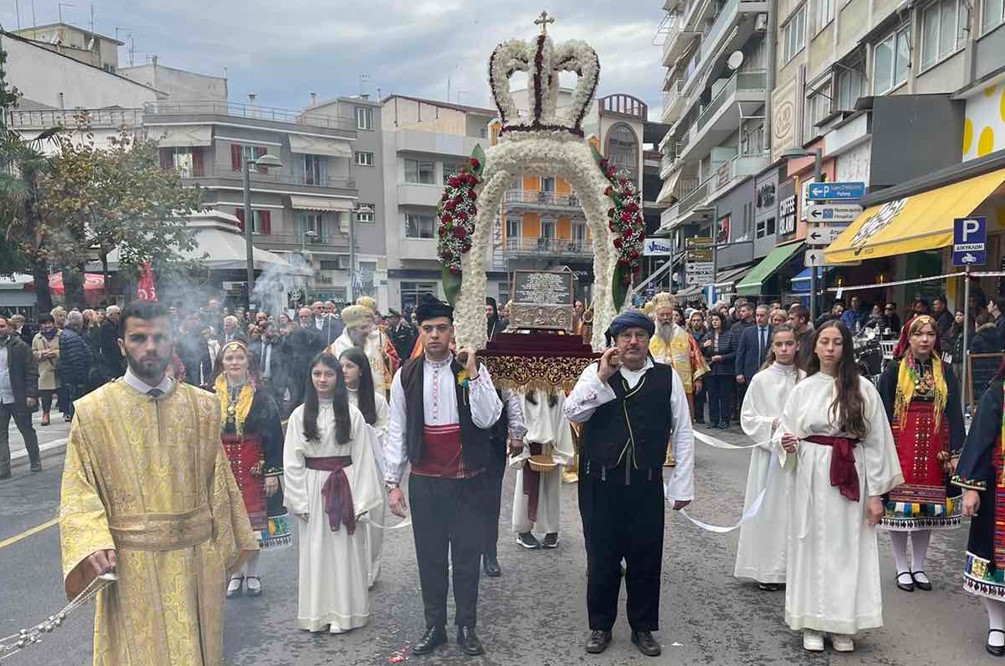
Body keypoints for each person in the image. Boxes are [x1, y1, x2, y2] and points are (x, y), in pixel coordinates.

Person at [59, 300, 257, 665]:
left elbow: (219, 484)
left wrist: (224, 549)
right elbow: (78, 490)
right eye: (138, 338)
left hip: (196, 565)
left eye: (159, 337)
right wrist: (92, 542)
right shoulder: (92, 412)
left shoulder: (203, 407)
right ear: (122, 345)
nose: (150, 346)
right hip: (131, 567)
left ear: (171, 343)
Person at [564, 311, 693, 657]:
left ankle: (643, 627)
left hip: (645, 481)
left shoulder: (666, 377)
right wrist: (602, 379)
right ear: (614, 341)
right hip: (600, 483)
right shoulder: (595, 373)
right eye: (625, 336)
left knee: (645, 558)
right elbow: (572, 413)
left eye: (639, 335)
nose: (632, 342)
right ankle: (600, 626)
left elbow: (682, 432)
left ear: (648, 339)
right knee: (602, 556)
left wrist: (682, 484)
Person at [384, 294, 503, 657]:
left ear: (452, 332)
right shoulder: (406, 375)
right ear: (420, 332)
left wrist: (475, 372)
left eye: (441, 329)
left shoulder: (468, 370)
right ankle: (434, 626)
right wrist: (392, 482)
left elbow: (489, 417)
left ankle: (467, 626)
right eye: (428, 329)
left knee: (467, 560)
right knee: (430, 558)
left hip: (468, 482)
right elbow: (397, 430)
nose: (435, 335)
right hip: (426, 482)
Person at [774, 321, 903, 653]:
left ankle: (843, 624)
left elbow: (876, 444)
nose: (830, 349)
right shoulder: (802, 389)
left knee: (847, 548)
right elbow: (785, 430)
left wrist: (876, 495)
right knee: (811, 544)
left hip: (850, 473)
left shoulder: (862, 389)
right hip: (810, 475)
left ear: (846, 347)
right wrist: (786, 444)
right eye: (824, 342)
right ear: (814, 347)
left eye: (837, 343)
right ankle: (812, 622)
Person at [283, 352, 383, 633]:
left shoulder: (352, 414)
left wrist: (363, 501)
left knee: (346, 549)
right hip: (314, 488)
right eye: (317, 374)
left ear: (337, 378)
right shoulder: (299, 415)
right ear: (310, 377)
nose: (323, 379)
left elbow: (363, 457)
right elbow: (292, 461)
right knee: (316, 551)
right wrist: (299, 500)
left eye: (328, 374)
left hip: (346, 485)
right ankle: (319, 613)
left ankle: (345, 613)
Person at [876, 315, 964, 592]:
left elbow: (953, 412)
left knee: (927, 509)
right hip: (902, 444)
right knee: (899, 509)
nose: (925, 339)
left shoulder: (946, 371)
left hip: (935, 446)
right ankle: (902, 566)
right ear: (909, 338)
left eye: (930, 334)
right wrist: (882, 448)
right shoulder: (893, 370)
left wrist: (955, 452)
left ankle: (919, 565)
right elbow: (883, 411)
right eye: (919, 334)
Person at [213, 340, 287, 599]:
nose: (234, 362)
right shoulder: (210, 395)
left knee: (253, 522)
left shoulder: (261, 395)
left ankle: (253, 573)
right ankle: (235, 573)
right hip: (222, 466)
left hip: (252, 464)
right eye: (229, 358)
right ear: (221, 363)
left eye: (239, 358)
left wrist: (272, 471)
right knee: (229, 522)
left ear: (248, 362)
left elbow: (275, 436)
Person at [735, 325, 804, 591]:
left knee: (795, 512)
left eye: (789, 343)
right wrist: (774, 424)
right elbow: (748, 418)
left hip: (798, 456)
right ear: (772, 347)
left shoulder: (805, 379)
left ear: (797, 346)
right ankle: (767, 569)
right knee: (769, 512)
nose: (784, 349)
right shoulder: (761, 379)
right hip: (768, 456)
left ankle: (794, 570)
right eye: (779, 344)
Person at [953, 359, 1005, 656]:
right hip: (999, 485)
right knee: (995, 559)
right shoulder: (997, 392)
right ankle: (997, 624)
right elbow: (980, 440)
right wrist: (971, 488)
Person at [339, 346, 390, 588]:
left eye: (349, 366)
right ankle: (349, 571)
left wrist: (366, 434)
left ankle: (370, 571)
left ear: (361, 370)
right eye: (341, 366)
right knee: (348, 520)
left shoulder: (376, 400)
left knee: (372, 521)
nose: (344, 371)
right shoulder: (334, 399)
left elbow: (387, 430)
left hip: (371, 465)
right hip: (343, 467)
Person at [511, 389, 574, 550]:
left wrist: (560, 453)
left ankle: (551, 531)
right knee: (524, 492)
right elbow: (517, 418)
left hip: (550, 447)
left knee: (551, 491)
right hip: (528, 446)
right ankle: (523, 530)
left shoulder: (557, 393)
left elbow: (562, 421)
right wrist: (521, 450)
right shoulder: (521, 390)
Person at [483, 388, 526, 575]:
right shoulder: (452, 362)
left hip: (492, 441)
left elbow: (511, 397)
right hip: (459, 444)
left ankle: (490, 553)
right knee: (461, 502)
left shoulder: (498, 362)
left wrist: (516, 433)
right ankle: (465, 554)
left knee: (490, 500)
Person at [0, 316, 40, 477]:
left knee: (26, 430)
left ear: (9, 328)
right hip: (1, 398)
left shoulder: (20, 347)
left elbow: (31, 370)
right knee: (1, 434)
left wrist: (31, 394)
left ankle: (35, 460)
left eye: (2, 326)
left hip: (18, 396)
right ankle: (4, 468)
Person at [331, 304, 399, 397]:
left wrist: (386, 359)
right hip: (347, 398)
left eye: (368, 326)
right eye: (362, 328)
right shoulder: (334, 348)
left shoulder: (380, 340)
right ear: (351, 329)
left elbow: (395, 360)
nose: (367, 331)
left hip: (375, 396)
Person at [702, 311, 735, 430]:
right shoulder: (708, 335)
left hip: (725, 370)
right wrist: (703, 346)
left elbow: (735, 352)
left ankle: (725, 420)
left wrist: (722, 357)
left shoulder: (730, 335)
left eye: (717, 319)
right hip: (711, 369)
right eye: (713, 320)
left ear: (722, 321)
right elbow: (699, 353)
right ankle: (713, 420)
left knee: (724, 396)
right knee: (712, 396)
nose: (714, 322)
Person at [59, 310, 94, 415]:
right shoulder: (73, 337)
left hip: (69, 375)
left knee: (74, 400)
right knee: (77, 401)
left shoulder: (66, 334)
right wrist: (81, 380)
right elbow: (76, 360)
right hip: (76, 377)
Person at [31, 314, 61, 426]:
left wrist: (55, 353)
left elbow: (67, 349)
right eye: (44, 323)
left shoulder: (61, 334)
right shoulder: (37, 337)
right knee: (45, 394)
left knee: (63, 392)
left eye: (49, 323)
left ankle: (67, 412)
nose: (47, 325)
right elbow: (32, 353)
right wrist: (40, 354)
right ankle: (45, 414)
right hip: (44, 369)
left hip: (59, 368)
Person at [734, 304, 772, 390]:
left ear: (768, 316)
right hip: (750, 373)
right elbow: (741, 353)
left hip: (769, 372)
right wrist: (739, 372)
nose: (759, 318)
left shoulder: (774, 331)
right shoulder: (748, 332)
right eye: (757, 315)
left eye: (762, 315)